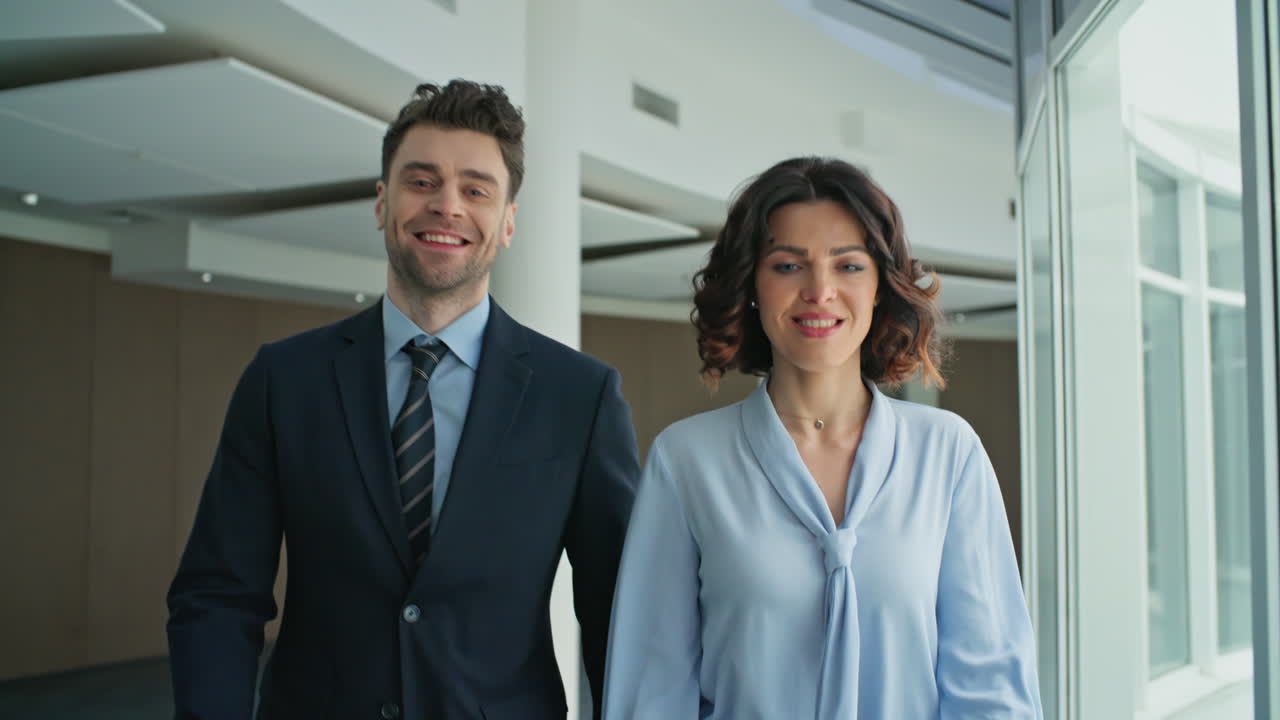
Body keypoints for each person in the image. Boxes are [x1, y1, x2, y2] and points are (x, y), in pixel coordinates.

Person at [167, 80, 640, 720]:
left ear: (507, 223)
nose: (446, 206)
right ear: (382, 203)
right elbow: (220, 592)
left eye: (475, 189)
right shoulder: (285, 379)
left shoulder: (580, 397)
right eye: (421, 182)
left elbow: (618, 611)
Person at [602, 157, 1041, 718]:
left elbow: (991, 686)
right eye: (788, 265)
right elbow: (652, 693)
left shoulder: (947, 454)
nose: (820, 290)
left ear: (881, 286)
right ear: (752, 284)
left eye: (849, 266)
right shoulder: (687, 462)